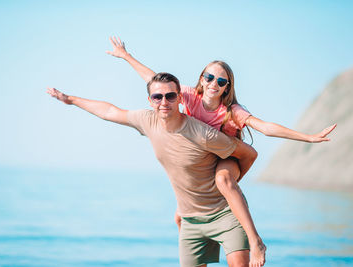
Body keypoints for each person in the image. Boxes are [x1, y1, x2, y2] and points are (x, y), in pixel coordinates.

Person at [106, 36, 337, 265]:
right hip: (203, 159)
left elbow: (265, 128)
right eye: (210, 77)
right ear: (202, 79)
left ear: (227, 87)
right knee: (181, 213)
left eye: (221, 81)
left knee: (224, 181)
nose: (214, 84)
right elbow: (153, 79)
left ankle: (255, 241)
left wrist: (307, 137)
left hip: (227, 158)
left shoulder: (232, 111)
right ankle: (195, 238)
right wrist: (126, 56)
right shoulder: (188, 96)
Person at [47, 72, 262, 267]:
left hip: (224, 214)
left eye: (170, 96)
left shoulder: (203, 134)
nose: (164, 102)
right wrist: (71, 100)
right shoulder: (147, 120)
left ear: (180, 97)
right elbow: (109, 111)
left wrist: (230, 183)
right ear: (150, 101)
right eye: (157, 97)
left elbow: (248, 154)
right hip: (190, 220)